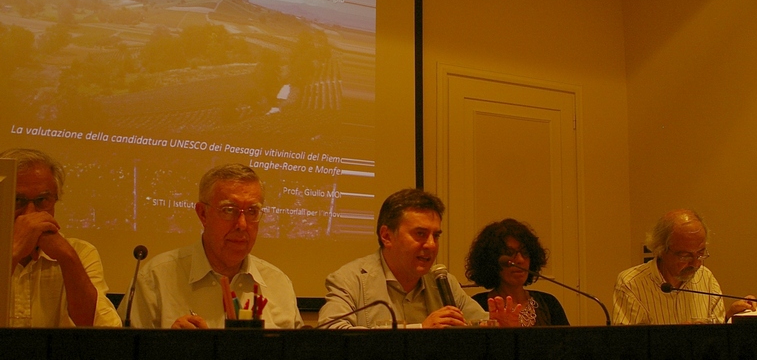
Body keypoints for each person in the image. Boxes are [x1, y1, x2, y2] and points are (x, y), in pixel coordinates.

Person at [122, 163, 303, 329]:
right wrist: (169, 346)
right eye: (229, 210)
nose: (242, 224)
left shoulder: (278, 284)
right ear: (203, 214)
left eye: (252, 212)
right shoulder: (154, 279)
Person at [317, 188, 521, 328]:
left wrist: (498, 327)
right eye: (420, 234)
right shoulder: (350, 279)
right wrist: (420, 329)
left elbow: (477, 324)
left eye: (436, 235)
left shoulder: (444, 282)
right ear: (387, 236)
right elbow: (331, 331)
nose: (431, 245)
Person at [4, 148, 121, 327]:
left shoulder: (81, 252)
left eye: (42, 200)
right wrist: (12, 253)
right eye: (18, 200)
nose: (30, 214)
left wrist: (67, 257)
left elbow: (101, 330)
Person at [612, 209, 757, 324]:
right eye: (685, 256)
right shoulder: (631, 284)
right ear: (661, 250)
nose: (695, 263)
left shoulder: (705, 278)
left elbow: (716, 340)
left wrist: (730, 318)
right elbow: (627, 348)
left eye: (700, 253)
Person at [465, 218, 569, 326]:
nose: (520, 260)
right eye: (509, 253)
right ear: (492, 260)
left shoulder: (549, 304)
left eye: (525, 252)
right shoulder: (477, 305)